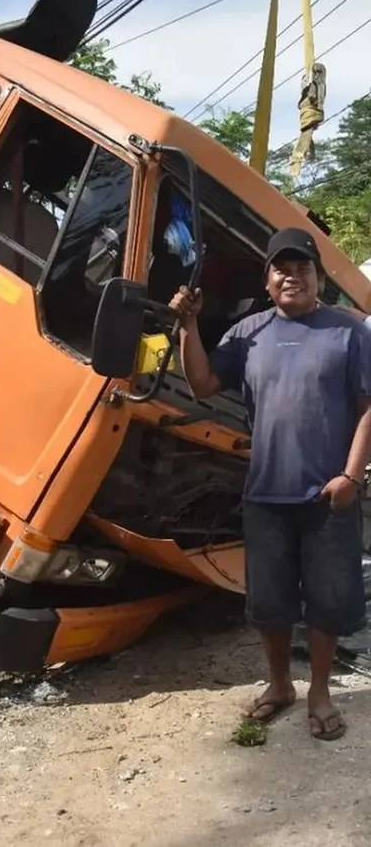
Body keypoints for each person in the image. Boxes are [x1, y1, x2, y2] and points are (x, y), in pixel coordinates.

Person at [169, 227, 371, 741]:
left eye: (302, 267)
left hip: (329, 497)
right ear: (267, 281)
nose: (292, 276)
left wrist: (351, 476)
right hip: (265, 495)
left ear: (319, 278)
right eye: (281, 268)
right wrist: (187, 325)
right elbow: (204, 383)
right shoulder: (248, 333)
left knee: (327, 601)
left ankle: (320, 693)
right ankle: (280, 685)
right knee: (270, 603)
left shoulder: (349, 332)